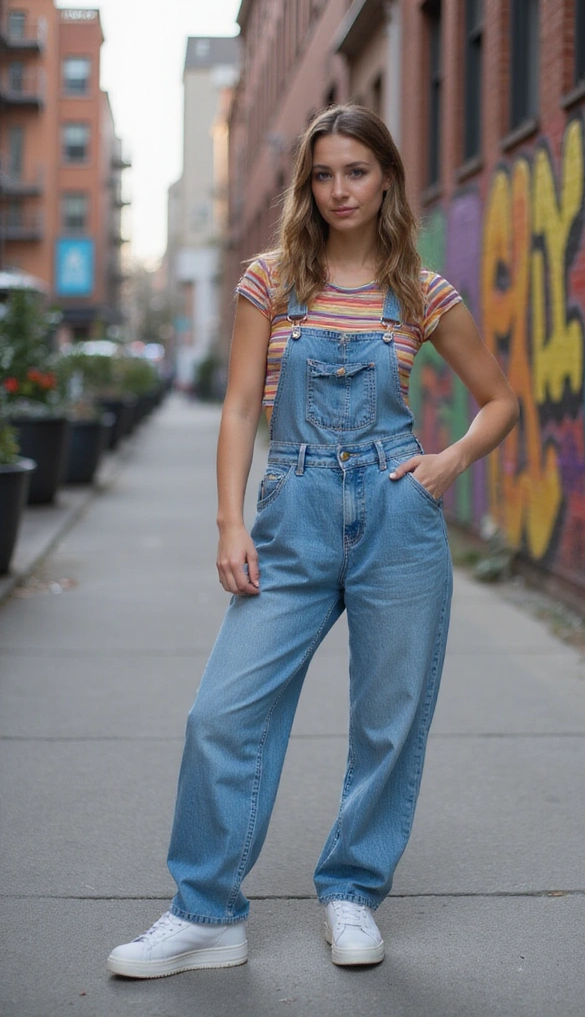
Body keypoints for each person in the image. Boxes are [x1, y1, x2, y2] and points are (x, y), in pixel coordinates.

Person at [107, 105, 518, 979]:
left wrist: (447, 464)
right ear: (308, 183)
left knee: (388, 720)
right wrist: (228, 521)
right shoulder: (271, 279)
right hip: (291, 510)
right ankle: (206, 913)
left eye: (357, 172)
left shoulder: (424, 293)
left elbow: (501, 400)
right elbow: (235, 409)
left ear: (387, 180)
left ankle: (352, 894)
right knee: (222, 713)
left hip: (397, 514)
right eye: (324, 174)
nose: (340, 190)